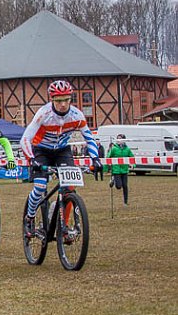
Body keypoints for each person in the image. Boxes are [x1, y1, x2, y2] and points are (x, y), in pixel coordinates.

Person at [21, 80, 100, 236]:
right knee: (40, 187)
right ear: (52, 100)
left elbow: (89, 138)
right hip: (41, 150)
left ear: (70, 99)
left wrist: (95, 159)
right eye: (58, 101)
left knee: (69, 187)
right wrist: (31, 159)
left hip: (62, 151)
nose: (63, 104)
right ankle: (29, 218)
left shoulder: (77, 115)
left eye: (66, 100)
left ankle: (63, 226)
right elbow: (25, 139)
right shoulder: (44, 114)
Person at [106, 134, 133, 205]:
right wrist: (108, 164)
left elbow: (132, 158)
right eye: (117, 139)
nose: (118, 140)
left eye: (120, 139)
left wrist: (133, 164)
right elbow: (108, 157)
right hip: (116, 170)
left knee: (125, 185)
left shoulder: (127, 149)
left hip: (124, 170)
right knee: (118, 186)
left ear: (124, 140)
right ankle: (113, 179)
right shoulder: (114, 149)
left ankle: (125, 202)